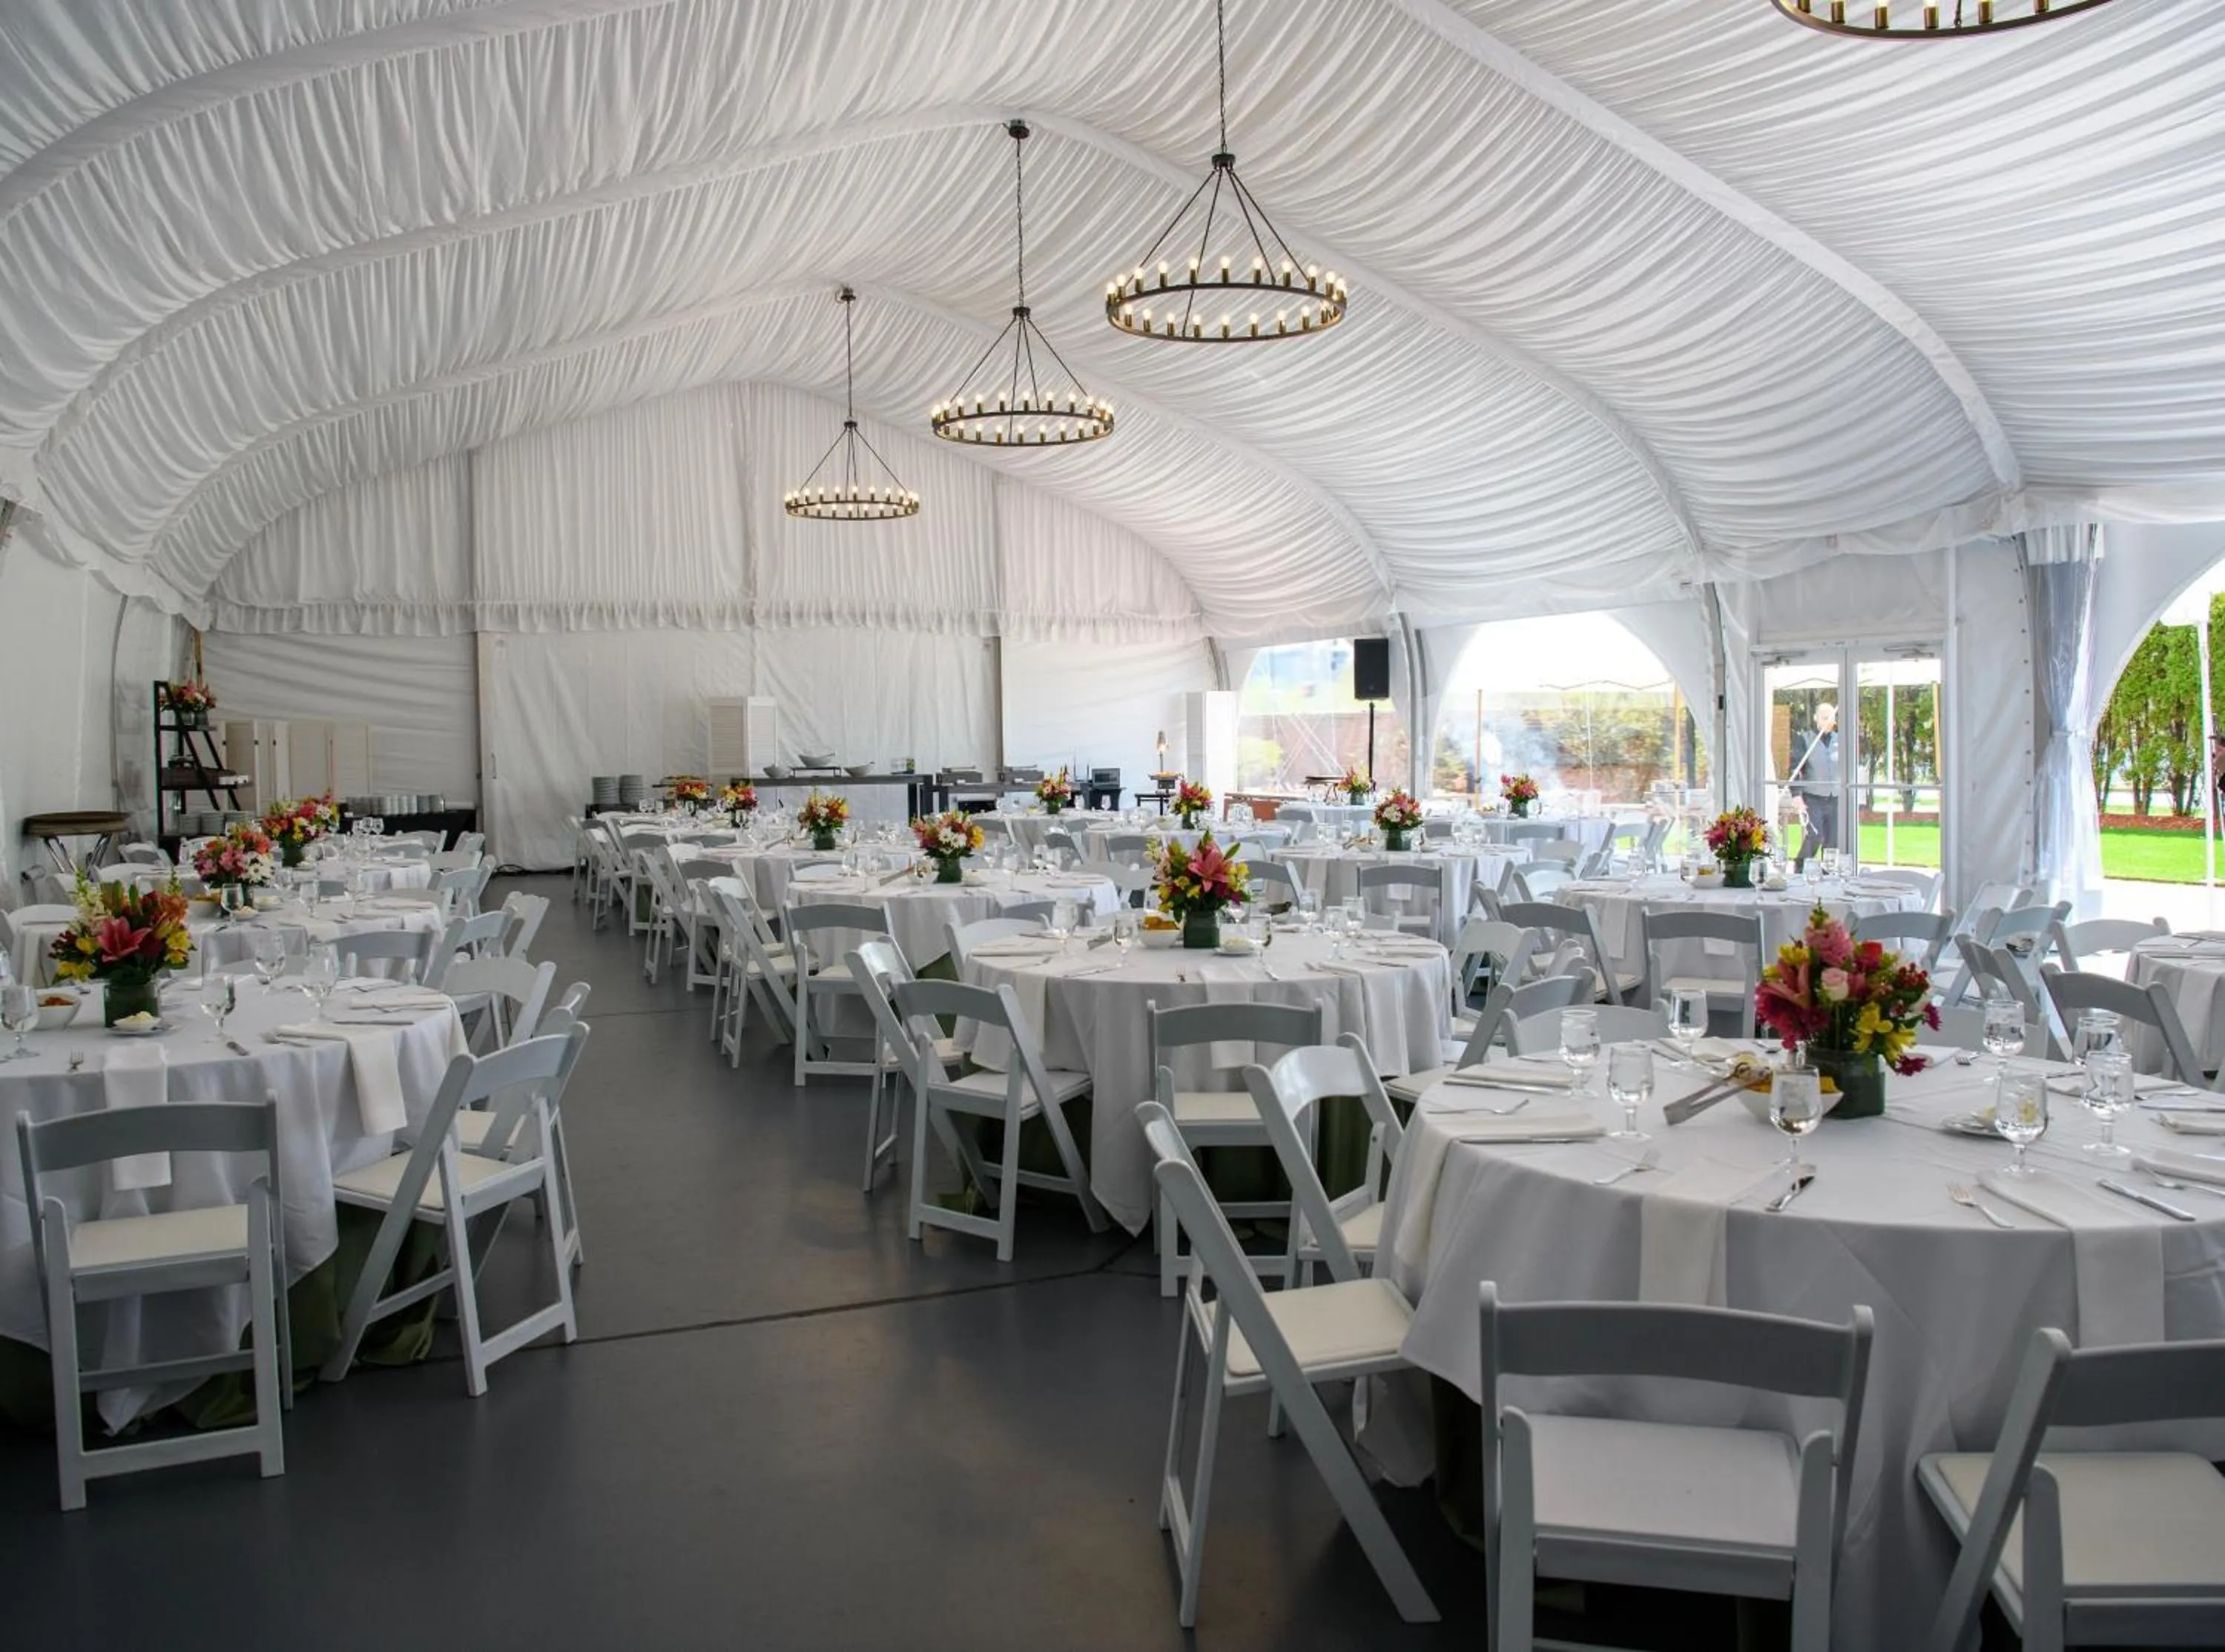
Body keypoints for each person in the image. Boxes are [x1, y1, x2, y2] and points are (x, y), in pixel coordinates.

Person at [1787, 702, 1840, 872]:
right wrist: (1796, 795)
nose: (1829, 721)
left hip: (1835, 797)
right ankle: (1800, 867)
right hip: (1813, 797)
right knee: (1815, 836)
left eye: (1831, 718)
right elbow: (1795, 768)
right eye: (1825, 717)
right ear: (1816, 718)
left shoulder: (1840, 740)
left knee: (1832, 840)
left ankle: (1829, 873)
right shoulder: (1805, 739)